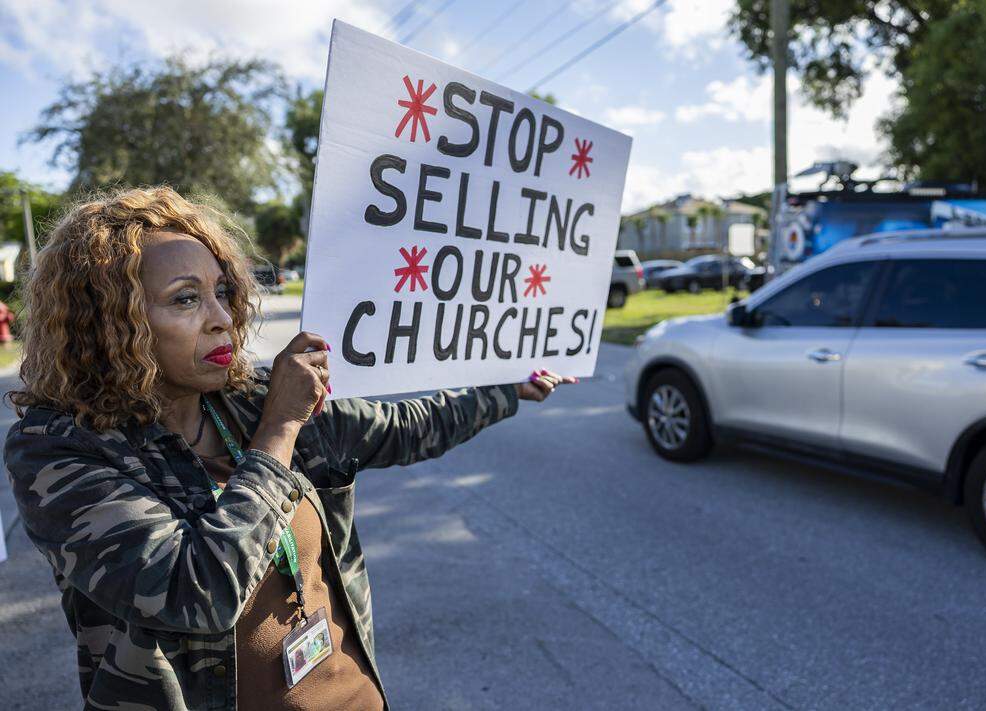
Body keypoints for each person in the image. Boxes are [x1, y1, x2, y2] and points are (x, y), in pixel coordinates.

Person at [4, 186, 575, 710]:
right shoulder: (59, 449)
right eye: (185, 300)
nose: (223, 319)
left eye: (223, 292)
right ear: (109, 322)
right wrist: (278, 430)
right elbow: (193, 592)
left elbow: (403, 426)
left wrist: (508, 390)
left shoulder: (247, 397)